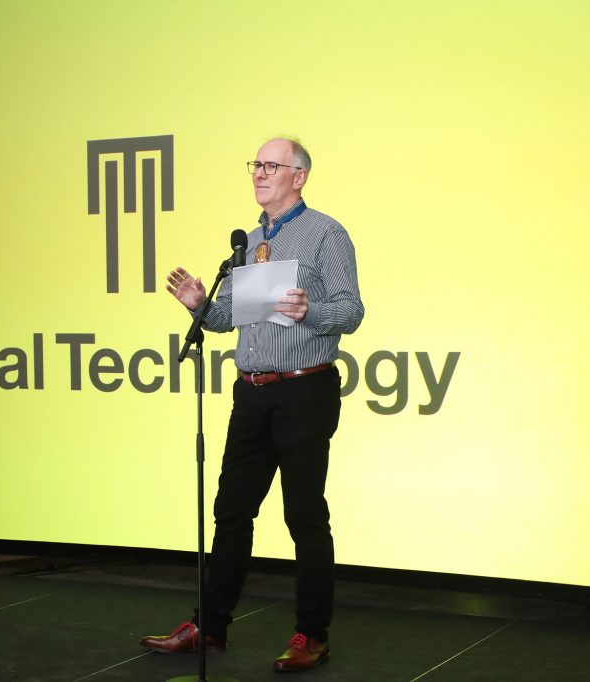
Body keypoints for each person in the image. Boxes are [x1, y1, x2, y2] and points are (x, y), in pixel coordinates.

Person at [140, 138, 364, 672]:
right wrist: (201, 306)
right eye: (256, 165)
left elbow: (352, 311)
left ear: (299, 176)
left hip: (304, 390)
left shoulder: (326, 234)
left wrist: (311, 311)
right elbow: (229, 319)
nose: (260, 173)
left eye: (271, 165)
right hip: (252, 391)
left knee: (304, 515)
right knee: (231, 511)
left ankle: (311, 634)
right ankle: (210, 627)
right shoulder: (250, 240)